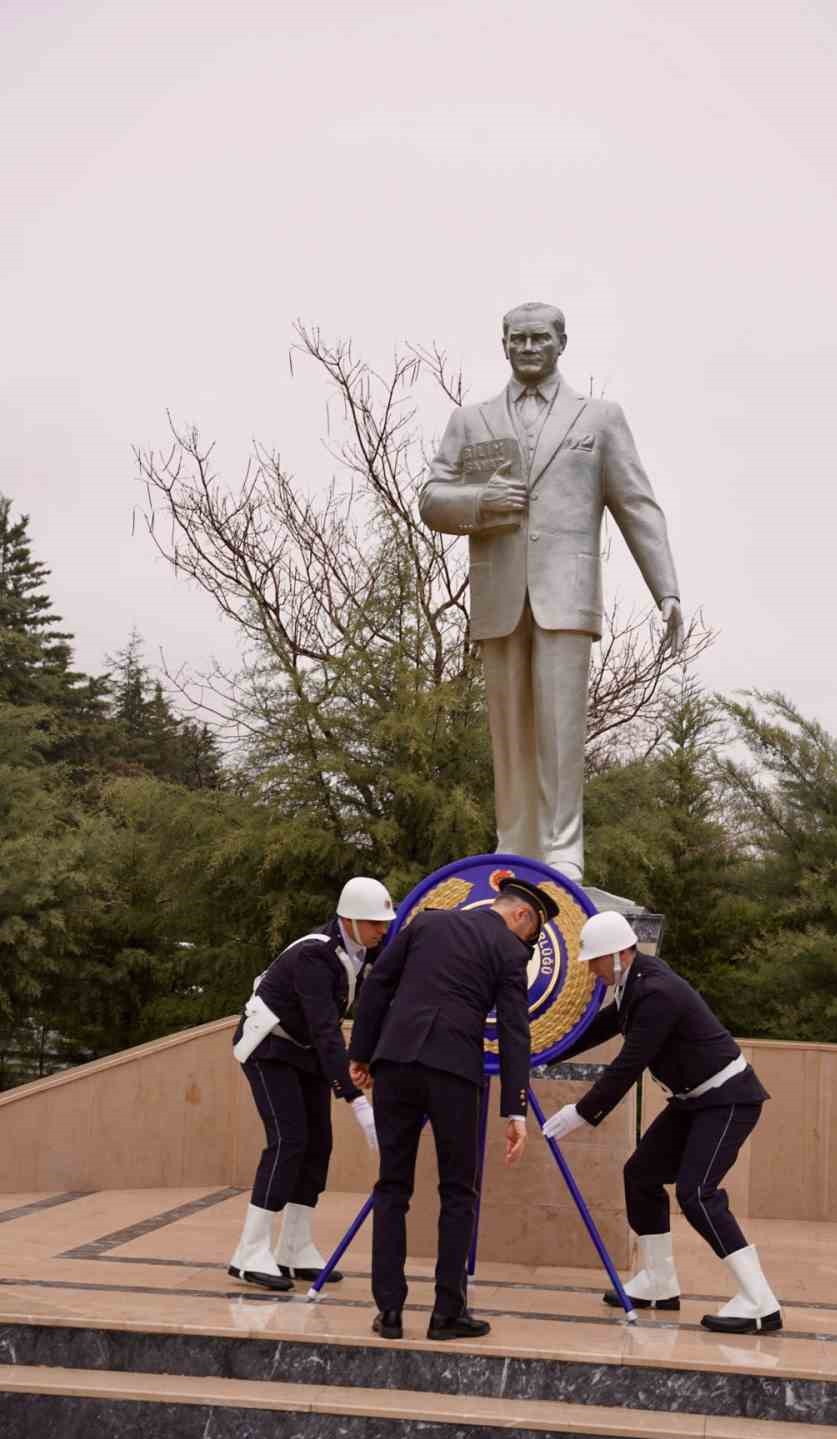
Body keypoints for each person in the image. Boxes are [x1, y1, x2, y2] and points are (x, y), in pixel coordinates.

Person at [420, 301, 684, 883]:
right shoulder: (471, 420)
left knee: (561, 727)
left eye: (541, 337)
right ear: (504, 344)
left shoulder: (599, 418)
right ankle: (513, 843)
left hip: (566, 595)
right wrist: (480, 503)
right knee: (508, 728)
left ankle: (564, 849)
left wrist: (665, 589)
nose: (529, 347)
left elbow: (636, 504)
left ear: (562, 342)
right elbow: (432, 498)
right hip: (499, 596)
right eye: (518, 338)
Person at [542, 911, 782, 1335]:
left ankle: (759, 1300)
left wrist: (580, 1113)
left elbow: (628, 1064)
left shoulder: (657, 991)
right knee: (641, 1175)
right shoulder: (634, 983)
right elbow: (599, 1028)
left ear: (618, 955)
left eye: (595, 961)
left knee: (696, 1193)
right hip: (693, 1101)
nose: (593, 970)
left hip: (728, 1099)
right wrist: (542, 1051)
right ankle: (658, 1281)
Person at [348, 878, 559, 1341]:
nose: (528, 944)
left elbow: (379, 983)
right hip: (454, 1073)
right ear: (521, 915)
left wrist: (361, 1054)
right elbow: (513, 1031)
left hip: (397, 1064)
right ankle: (447, 1312)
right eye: (532, 934)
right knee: (458, 1193)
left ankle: (389, 1312)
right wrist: (516, 1111)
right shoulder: (508, 951)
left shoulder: (427, 922)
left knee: (392, 1187)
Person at [227, 876, 394, 1291]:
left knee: (319, 1144)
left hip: (305, 1052)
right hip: (270, 1047)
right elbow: (325, 1029)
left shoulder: (370, 948)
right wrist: (356, 1100)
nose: (382, 929)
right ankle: (249, 1252)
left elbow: (375, 1003)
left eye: (384, 922)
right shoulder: (314, 955)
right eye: (374, 922)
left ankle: (294, 1247)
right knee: (288, 1141)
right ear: (348, 919)